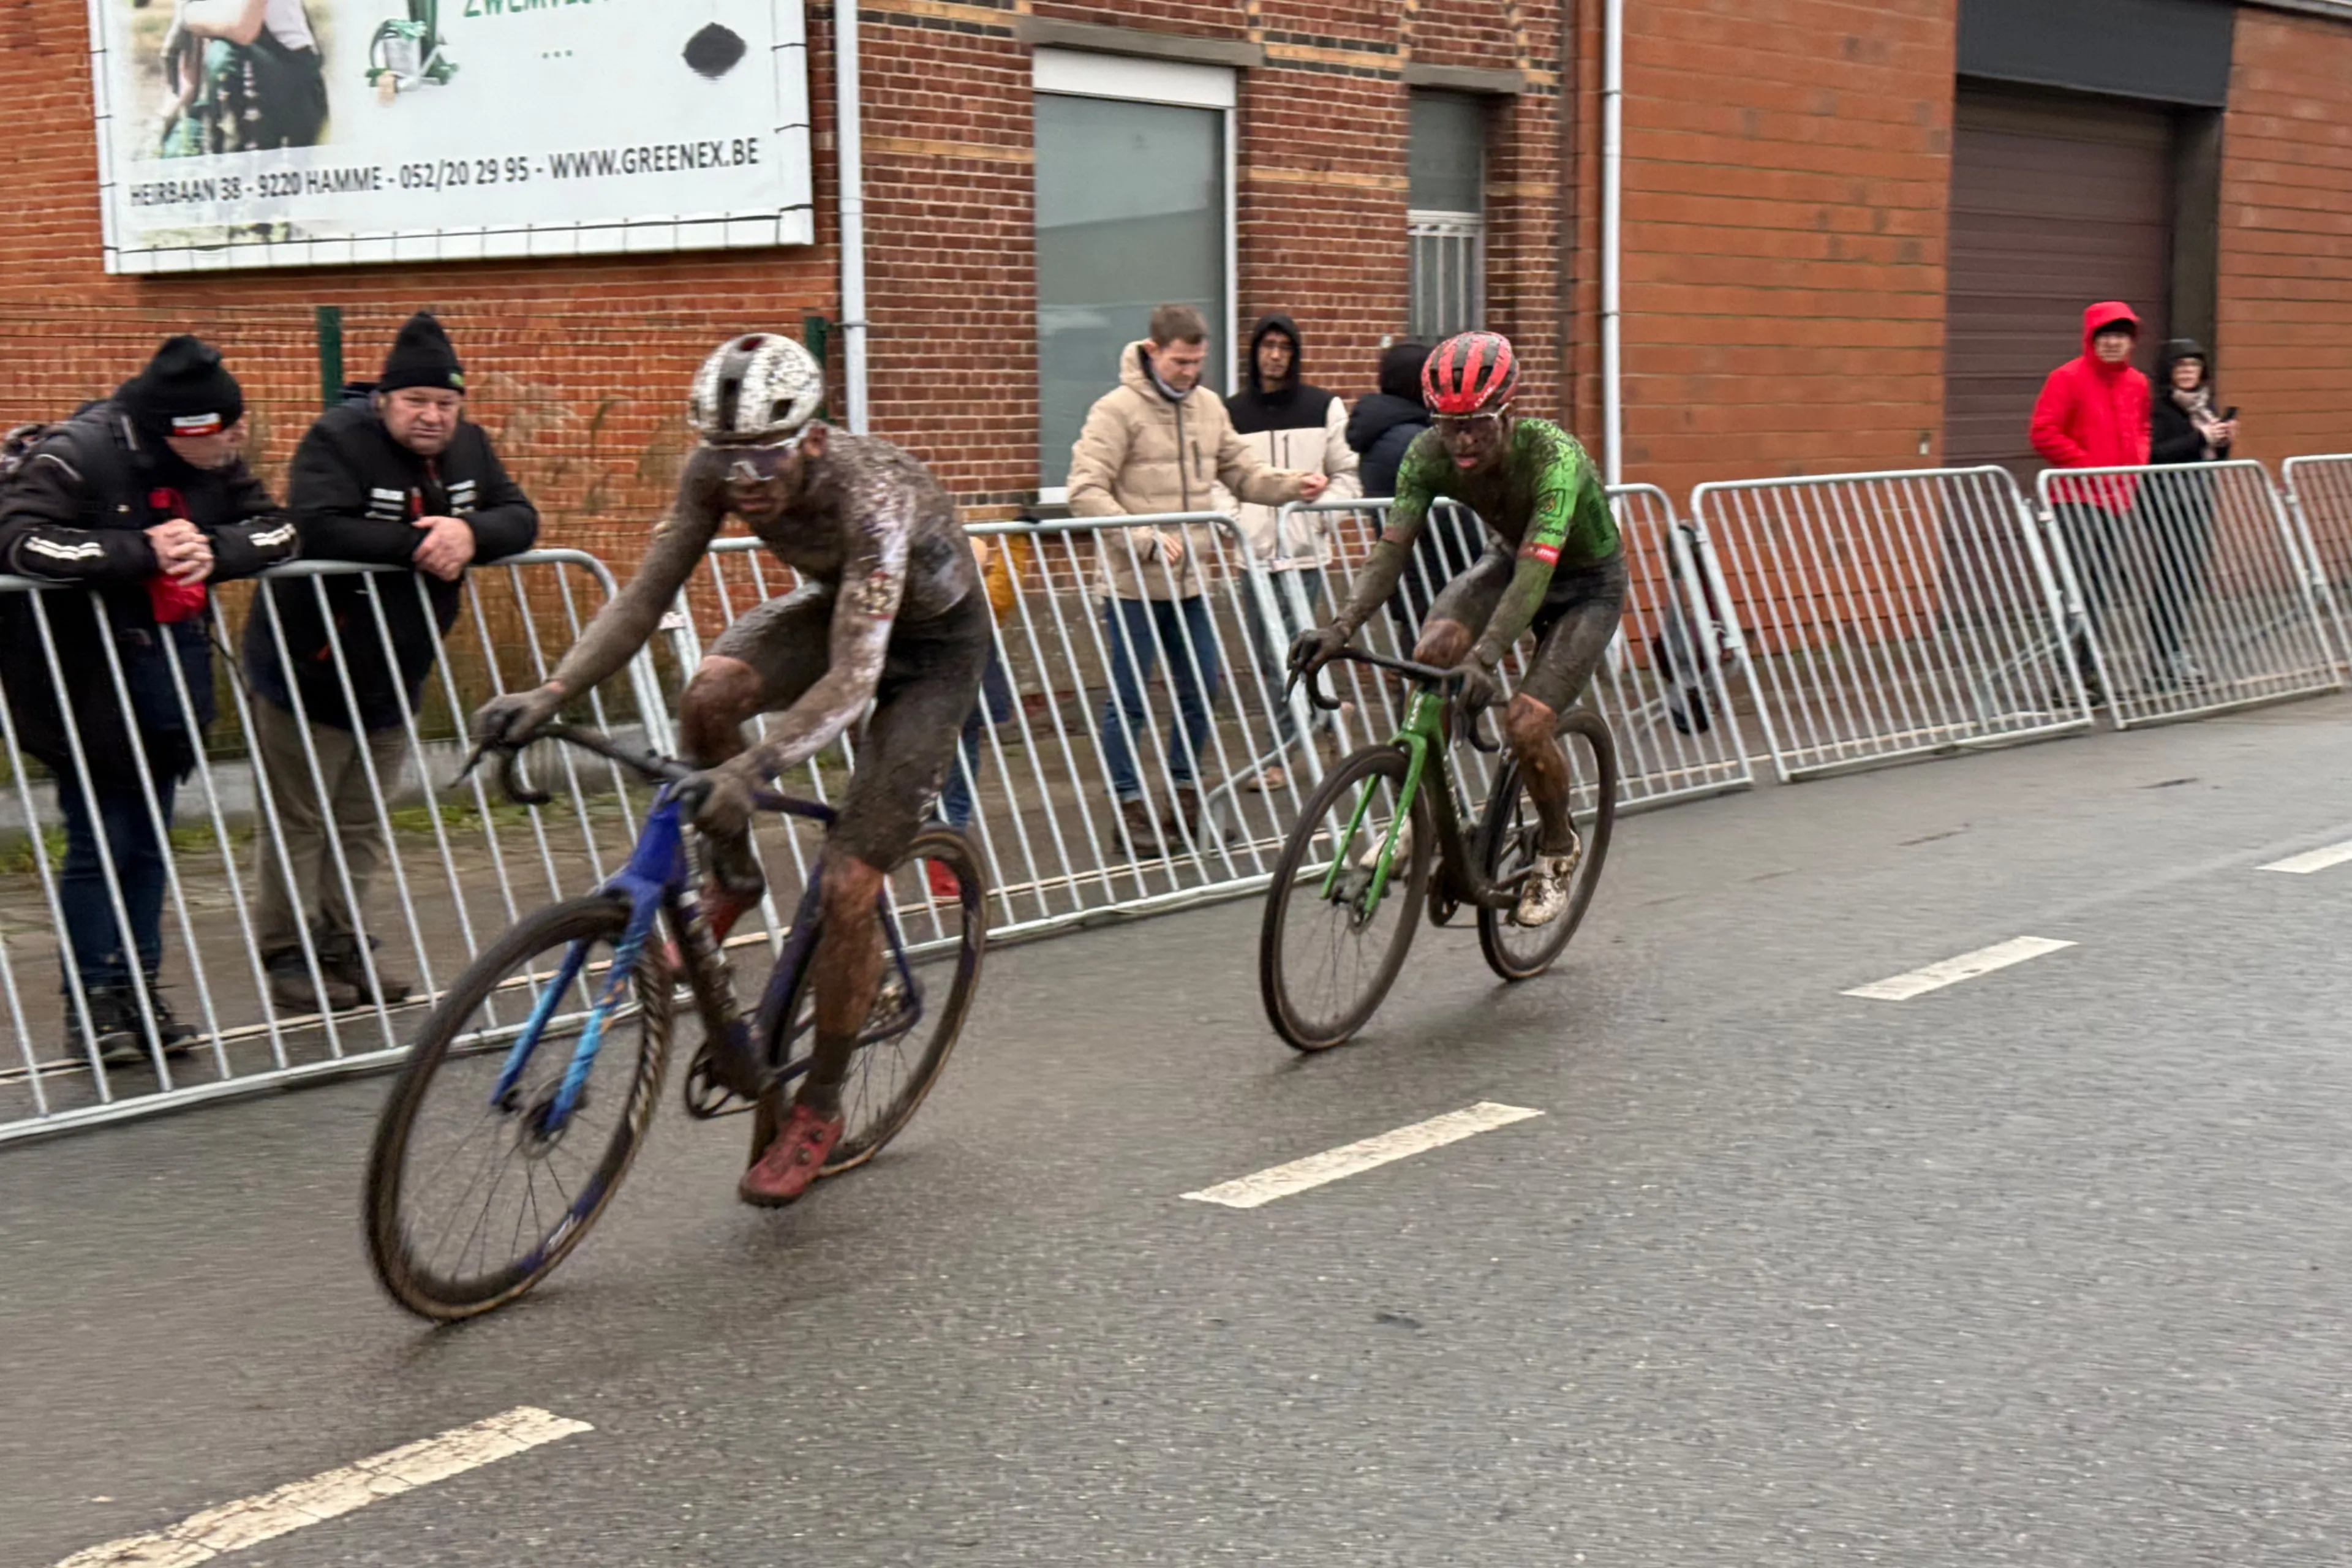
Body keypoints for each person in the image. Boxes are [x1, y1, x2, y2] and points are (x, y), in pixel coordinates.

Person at [473, 333, 986, 1208]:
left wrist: (752, 767)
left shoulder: (873, 498)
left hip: (928, 653)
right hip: (838, 614)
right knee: (707, 694)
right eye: (731, 457)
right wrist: (551, 692)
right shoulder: (713, 470)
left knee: (850, 887)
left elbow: (856, 679)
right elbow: (642, 598)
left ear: (813, 438)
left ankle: (817, 1106)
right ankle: (736, 876)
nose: (748, 480)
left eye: (768, 456)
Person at [0, 336, 296, 1061]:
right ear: (182, 430)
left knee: (150, 845)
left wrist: (215, 549)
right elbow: (18, 542)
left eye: (238, 425)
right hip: (81, 686)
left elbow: (280, 529)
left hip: (166, 680)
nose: (237, 441)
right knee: (102, 845)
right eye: (223, 431)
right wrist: (139, 552)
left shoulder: (215, 463)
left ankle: (141, 986)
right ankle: (93, 1000)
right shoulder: (80, 452)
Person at [244, 312, 540, 1014]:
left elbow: (520, 516)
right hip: (307, 665)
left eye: (445, 404)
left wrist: (469, 531)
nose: (433, 417)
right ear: (385, 400)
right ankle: (288, 956)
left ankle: (343, 947)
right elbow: (313, 525)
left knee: (361, 819)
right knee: (300, 819)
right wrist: (414, 544)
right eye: (417, 403)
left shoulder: (471, 449)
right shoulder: (336, 441)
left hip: (395, 670)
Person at [1291, 331, 1622, 929]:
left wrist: (1488, 657)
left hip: (1584, 584)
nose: (1463, 439)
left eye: (1478, 424)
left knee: (1525, 723)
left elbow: (1537, 569)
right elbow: (1391, 549)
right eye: (1449, 424)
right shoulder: (1427, 453)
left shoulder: (1554, 458)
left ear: (1508, 413)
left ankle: (1556, 846)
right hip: (1508, 558)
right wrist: (1338, 627)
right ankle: (1427, 817)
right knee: (1433, 650)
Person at [1066, 304, 1327, 849]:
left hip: (1190, 582)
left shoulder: (1209, 409)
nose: (1190, 372)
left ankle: (1187, 802)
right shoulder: (1115, 411)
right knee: (1131, 698)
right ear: (1153, 351)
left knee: (1202, 690)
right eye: (1180, 362)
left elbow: (1242, 472)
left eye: (1198, 362)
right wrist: (1141, 538)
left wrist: (1292, 485)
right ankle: (1129, 808)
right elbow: (1086, 489)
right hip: (1133, 585)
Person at [1223, 312, 1360, 792]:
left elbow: (1348, 474)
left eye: (1284, 347)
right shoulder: (1232, 411)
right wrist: (1235, 523)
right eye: (1267, 346)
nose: (1275, 356)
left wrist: (1318, 516)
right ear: (1255, 352)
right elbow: (1216, 478)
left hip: (1303, 554)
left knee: (1287, 652)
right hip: (1253, 554)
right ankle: (1326, 718)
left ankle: (1278, 756)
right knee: (1269, 654)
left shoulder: (1324, 407)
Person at [2030, 302, 2152, 700]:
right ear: (2091, 339)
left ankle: (2088, 670)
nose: (2114, 344)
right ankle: (2066, 676)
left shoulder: (2137, 383)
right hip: (2076, 497)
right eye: (2106, 336)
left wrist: (2137, 463)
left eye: (2121, 337)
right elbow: (2044, 432)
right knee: (2076, 586)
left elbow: (2142, 427)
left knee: (2101, 589)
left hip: (2118, 498)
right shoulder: (2066, 378)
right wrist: (2085, 465)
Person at [1347, 341, 1480, 638]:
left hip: (1414, 580)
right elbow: (1453, 515)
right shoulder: (1415, 443)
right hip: (1440, 581)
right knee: (1441, 675)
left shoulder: (1383, 435)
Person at [2141, 340, 2238, 688]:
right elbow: (2153, 454)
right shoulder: (2160, 409)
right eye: (2180, 366)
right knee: (2174, 575)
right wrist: (2200, 436)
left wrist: (2223, 440)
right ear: (2168, 371)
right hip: (2169, 500)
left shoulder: (2204, 406)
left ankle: (2174, 651)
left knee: (2189, 576)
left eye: (2193, 366)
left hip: (2199, 497)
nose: (2187, 372)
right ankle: (2165, 657)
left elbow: (2209, 458)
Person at [160, 0, 328, 153]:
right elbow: (189, 71)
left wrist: (190, 16)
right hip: (222, 95)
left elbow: (244, 28)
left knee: (225, 54)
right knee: (177, 153)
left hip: (288, 89)